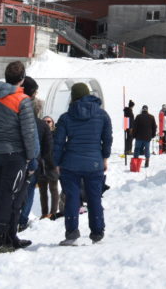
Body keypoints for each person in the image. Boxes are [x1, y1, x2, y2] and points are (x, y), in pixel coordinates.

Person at [0, 60, 38, 254]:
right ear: (22, 80)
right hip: (15, 156)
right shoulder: (22, 101)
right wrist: (31, 157)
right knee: (8, 196)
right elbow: (29, 134)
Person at [54, 82, 112, 245]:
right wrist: (105, 157)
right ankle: (97, 232)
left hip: (70, 164)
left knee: (72, 198)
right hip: (94, 163)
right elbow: (107, 139)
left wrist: (57, 161)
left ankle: (72, 232)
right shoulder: (102, 115)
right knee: (94, 198)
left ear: (73, 97)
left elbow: (58, 143)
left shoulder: (66, 117)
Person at [17, 77, 45, 232]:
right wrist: (34, 160)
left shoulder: (8, 105)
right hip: (28, 159)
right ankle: (21, 220)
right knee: (28, 190)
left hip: (11, 157)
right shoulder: (27, 109)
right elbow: (31, 138)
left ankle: (12, 219)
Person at [37, 116, 60, 220]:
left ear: (52, 123)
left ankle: (53, 212)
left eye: (48, 121)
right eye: (44, 121)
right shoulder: (39, 134)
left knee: (53, 189)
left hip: (52, 165)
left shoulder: (56, 135)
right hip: (40, 165)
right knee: (42, 190)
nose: (46, 123)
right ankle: (44, 213)